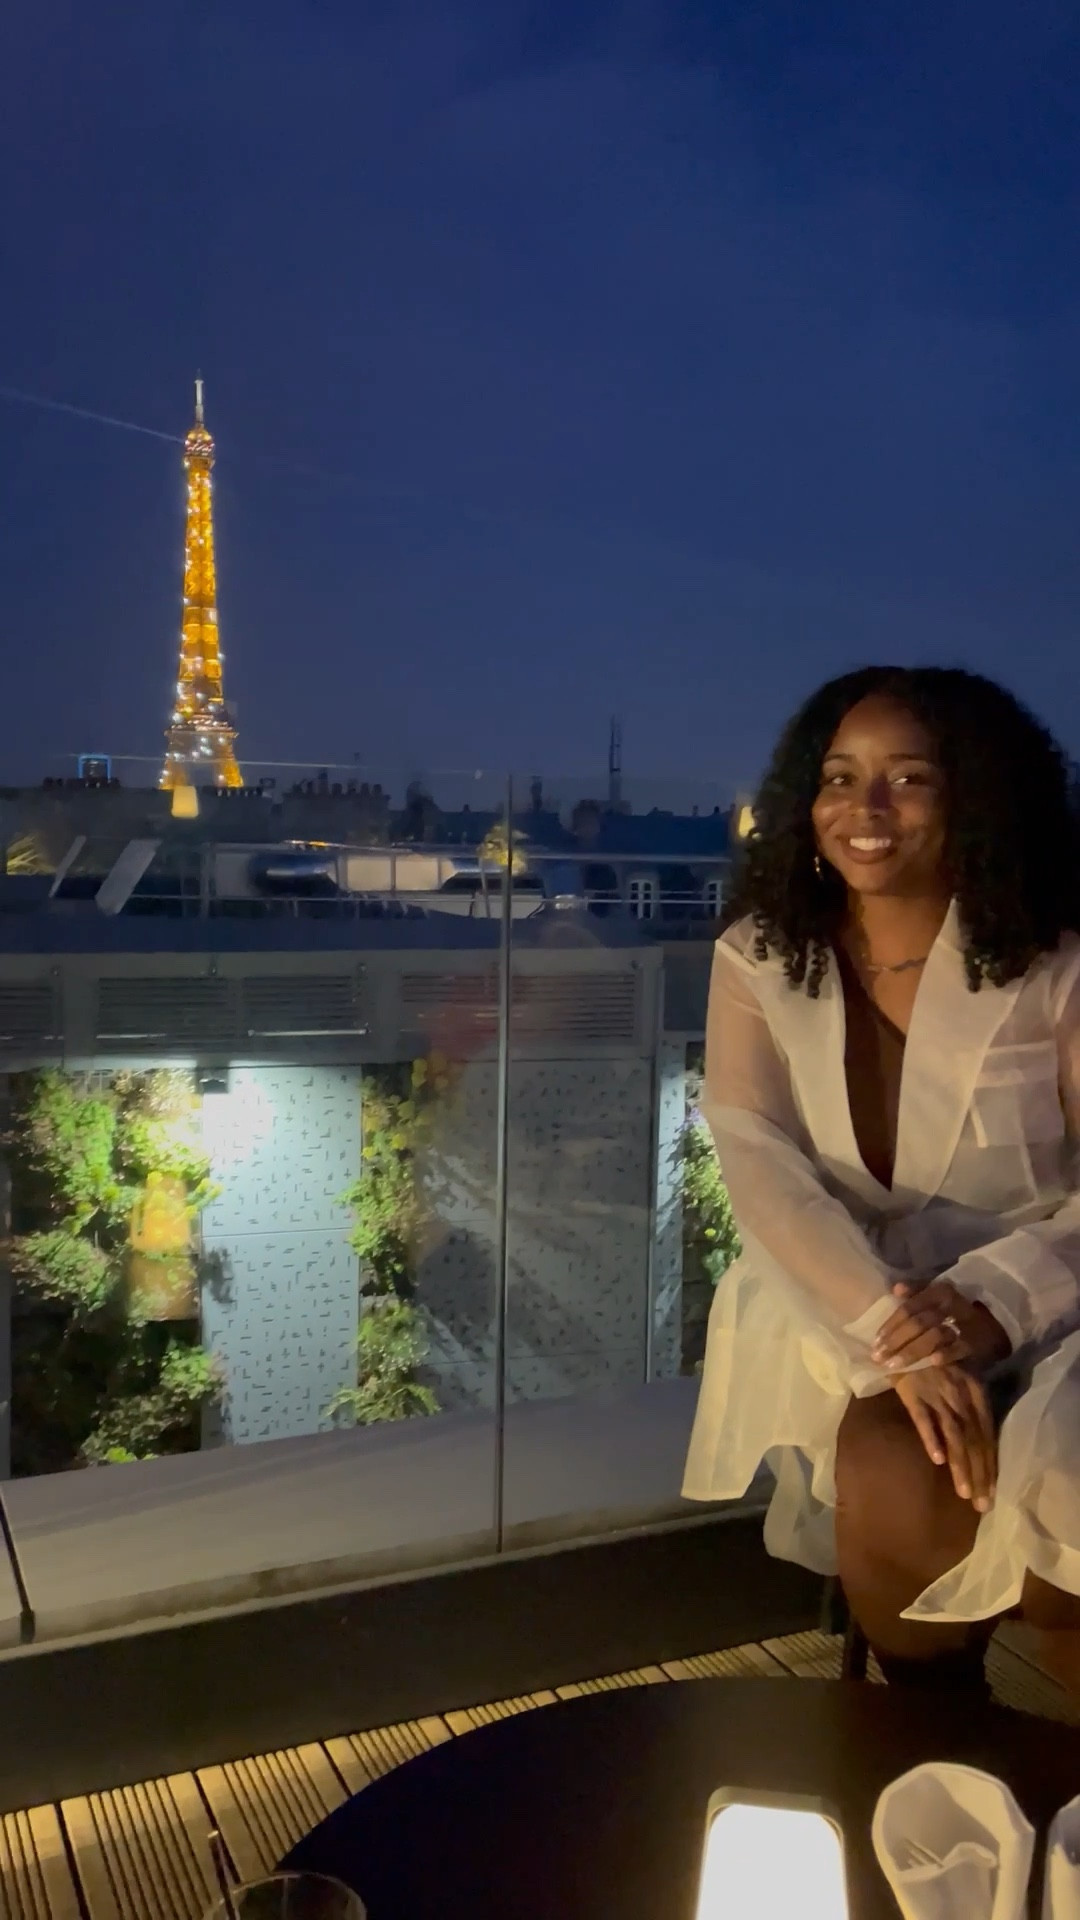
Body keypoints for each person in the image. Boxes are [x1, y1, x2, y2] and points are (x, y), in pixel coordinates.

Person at [683, 665, 1080, 1696]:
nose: (863, 810)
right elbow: (756, 1159)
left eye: (909, 779)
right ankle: (940, 1754)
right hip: (857, 1292)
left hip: (1057, 1285)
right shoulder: (759, 958)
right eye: (838, 778)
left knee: (1066, 1547)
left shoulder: (1059, 964)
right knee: (892, 1468)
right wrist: (895, 1336)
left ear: (977, 805)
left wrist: (992, 1306)